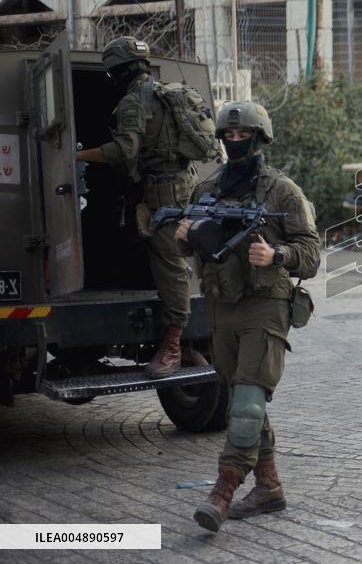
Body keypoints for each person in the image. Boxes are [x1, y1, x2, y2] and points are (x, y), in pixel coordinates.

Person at [175, 101, 320, 532]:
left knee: (247, 403)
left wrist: (278, 255)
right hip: (221, 305)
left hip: (265, 305)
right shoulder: (205, 189)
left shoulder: (283, 191)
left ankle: (222, 492)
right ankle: (269, 487)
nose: (236, 141)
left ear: (260, 138)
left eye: (244, 135)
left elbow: (311, 254)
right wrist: (183, 238)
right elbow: (189, 245)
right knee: (244, 400)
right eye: (229, 136)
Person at [76, 37, 199, 379]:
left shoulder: (134, 101)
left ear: (117, 72)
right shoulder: (165, 92)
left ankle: (172, 345)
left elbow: (124, 151)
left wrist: (77, 155)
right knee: (152, 254)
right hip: (180, 187)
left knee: (170, 264)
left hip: (163, 195)